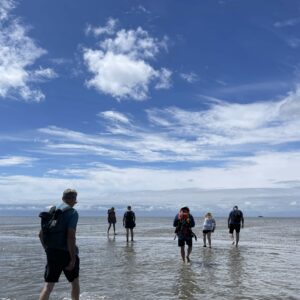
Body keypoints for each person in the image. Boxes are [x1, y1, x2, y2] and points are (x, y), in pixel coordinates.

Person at [39, 189, 80, 300]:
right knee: (74, 283)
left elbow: (40, 235)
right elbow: (71, 236)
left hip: (52, 252)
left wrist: (47, 250)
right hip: (67, 253)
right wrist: (72, 259)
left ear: (62, 198)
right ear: (75, 200)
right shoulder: (73, 212)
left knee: (48, 286)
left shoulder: (51, 211)